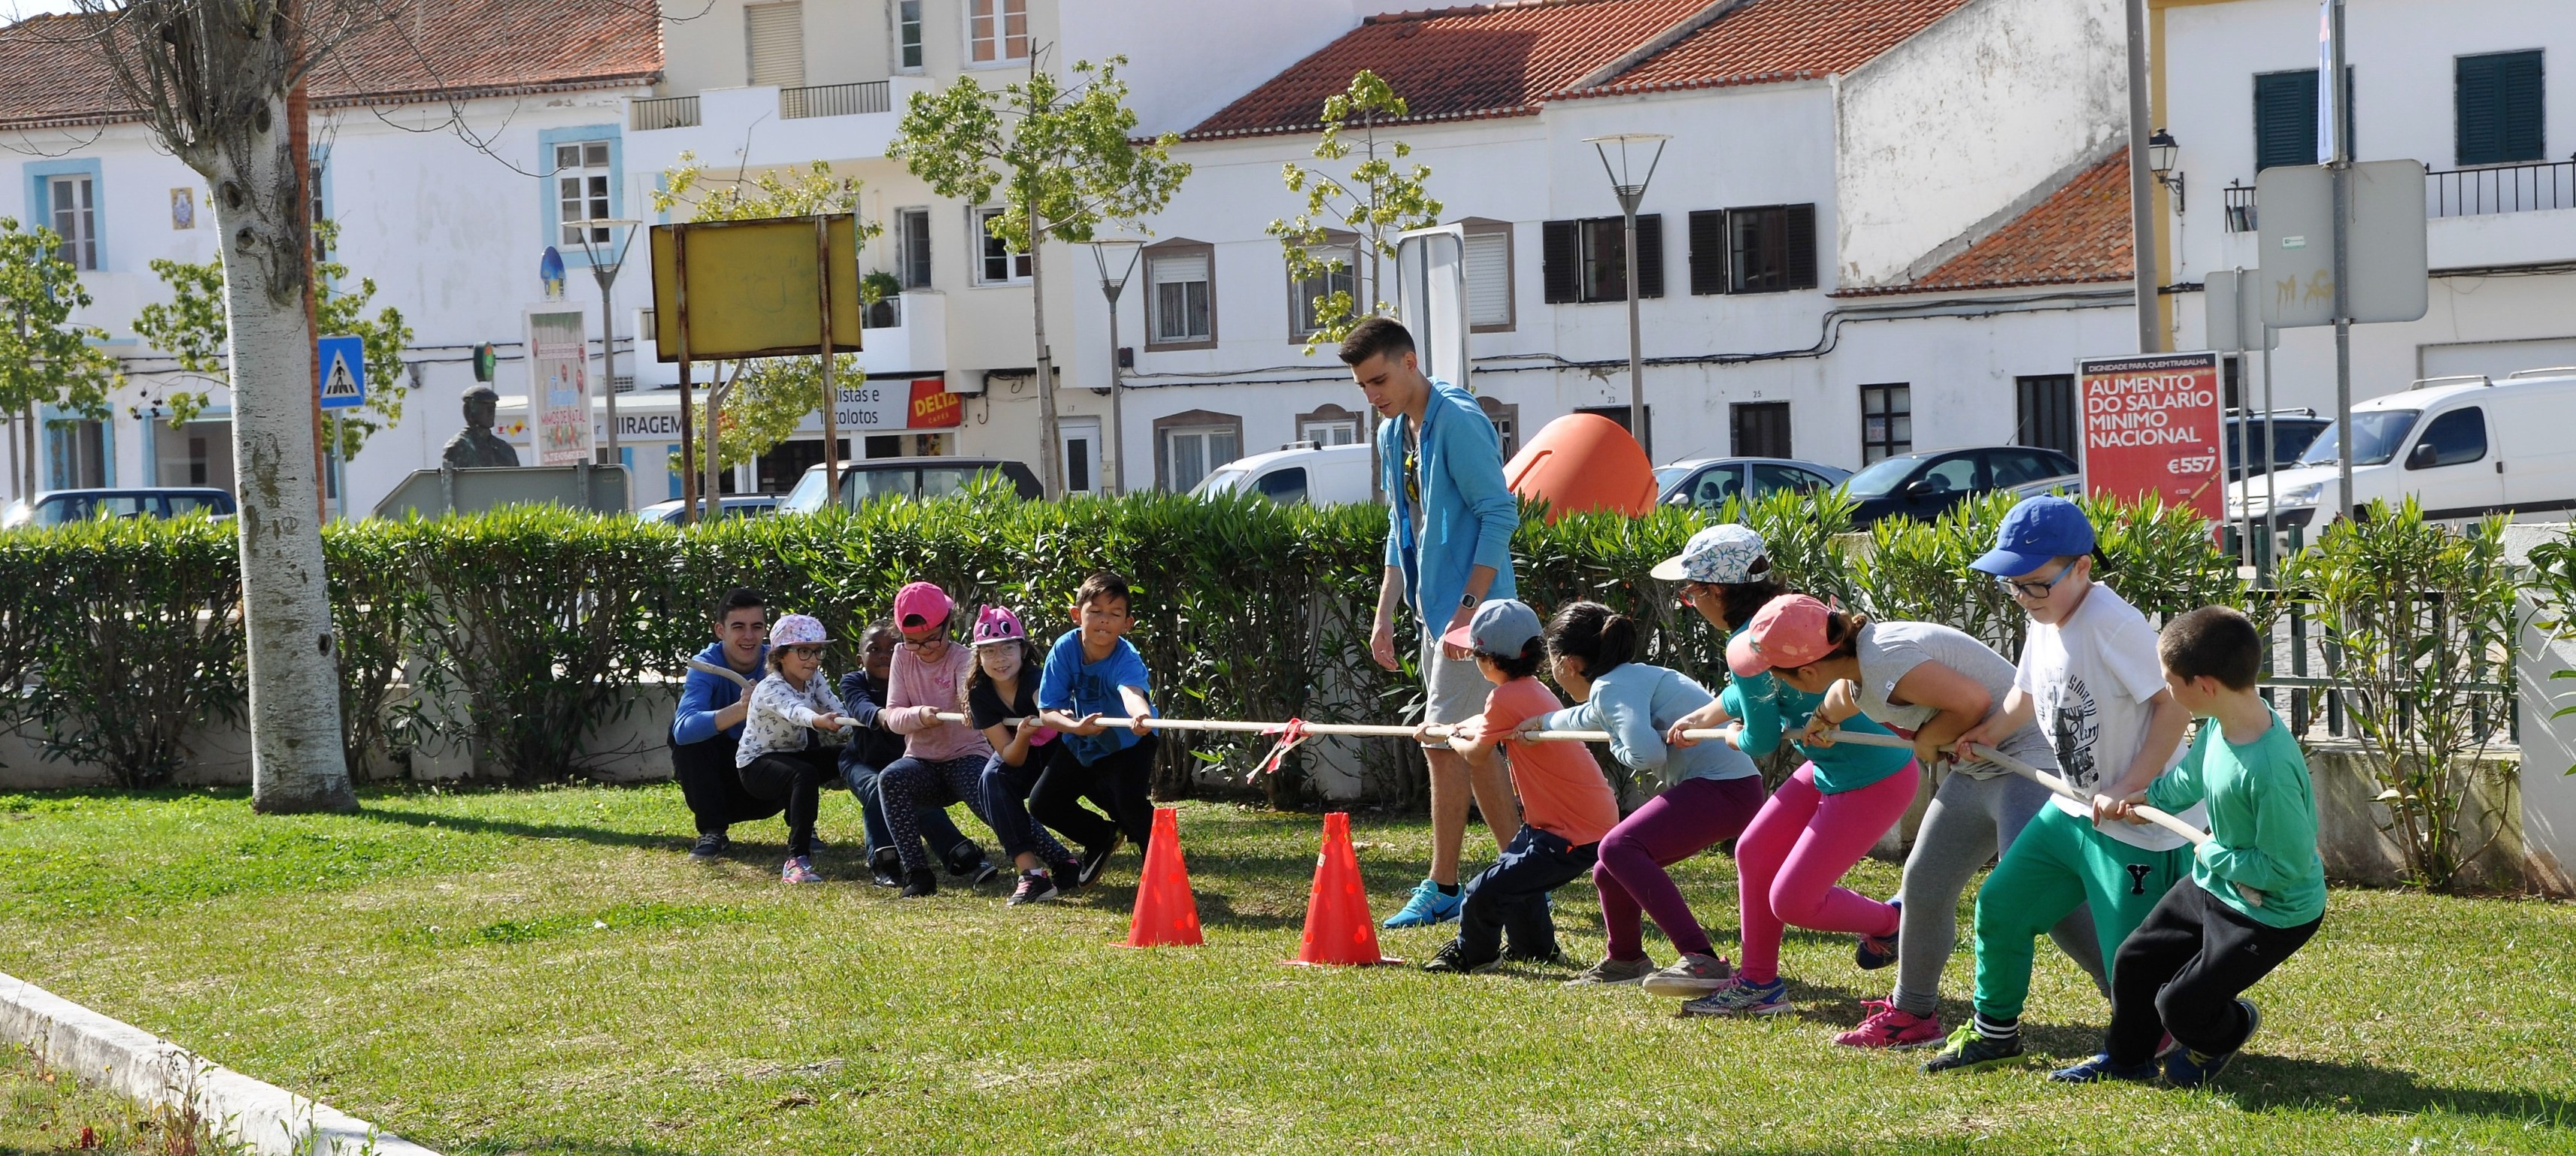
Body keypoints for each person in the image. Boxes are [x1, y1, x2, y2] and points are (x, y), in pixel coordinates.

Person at [1728, 599, 2104, 1049]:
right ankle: (1913, 1015)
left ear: (1807, 672)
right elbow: (1847, 694)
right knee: (1925, 883)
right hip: (1980, 768)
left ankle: (2142, 1003)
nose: (1772, 681)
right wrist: (1823, 719)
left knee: (2038, 891)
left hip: (2025, 761)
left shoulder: (1885, 658)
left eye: (1776, 673)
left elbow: (1972, 701)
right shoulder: (1858, 660)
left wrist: (1927, 740)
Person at [1925, 498, 2202, 1073]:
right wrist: (1986, 735)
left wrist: (2132, 784)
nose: (2024, 598)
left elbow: (2174, 706)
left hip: (2136, 824)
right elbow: (2024, 696)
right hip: (2073, 808)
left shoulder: (2113, 623)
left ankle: (2181, 1036)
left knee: (2132, 958)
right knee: (2002, 904)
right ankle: (1995, 1033)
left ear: (2082, 567)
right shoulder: (2044, 618)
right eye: (2013, 586)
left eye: (2035, 585)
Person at [1648, 529, 1921, 1018]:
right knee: (1756, 851)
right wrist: (1706, 716)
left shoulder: (1747, 645)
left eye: (1688, 593)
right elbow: (1762, 697)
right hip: (1839, 765)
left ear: (1715, 592)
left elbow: (1761, 738)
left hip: (1872, 779)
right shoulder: (1786, 614)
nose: (1689, 602)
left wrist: (1728, 734)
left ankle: (1892, 922)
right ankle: (1758, 984)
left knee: (1794, 900)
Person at [2053, 606, 2326, 1087]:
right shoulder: (2224, 722)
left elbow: (2282, 868)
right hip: (2217, 884)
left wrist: (2212, 854)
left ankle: (2231, 1028)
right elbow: (2192, 774)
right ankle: (2127, 1058)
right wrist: (2148, 797)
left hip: (2271, 910)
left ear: (2203, 685)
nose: (2164, 692)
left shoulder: (2268, 771)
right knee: (2134, 962)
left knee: (2179, 1006)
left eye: (2169, 681)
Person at [1347, 317, 1524, 930]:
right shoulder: (1393, 433)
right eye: (1364, 387)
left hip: (1476, 620)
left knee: (1444, 745)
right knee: (1471, 750)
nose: (1373, 395)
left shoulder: (1461, 419)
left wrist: (1466, 615)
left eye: (1380, 380)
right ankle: (1522, 877)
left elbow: (1500, 515)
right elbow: (1403, 530)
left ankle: (1448, 885)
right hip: (1437, 620)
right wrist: (1385, 613)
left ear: (1411, 361)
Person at [1541, 600, 1765, 994]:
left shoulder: (1612, 688)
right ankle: (1625, 959)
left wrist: (1618, 745)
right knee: (1609, 870)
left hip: (1722, 788)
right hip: (1732, 787)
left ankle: (1701, 958)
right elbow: (1581, 718)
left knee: (1619, 847)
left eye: (1552, 659)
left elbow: (1646, 754)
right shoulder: (1626, 681)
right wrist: (1537, 724)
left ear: (1569, 662)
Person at [1419, 599, 1620, 974]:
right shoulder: (1531, 690)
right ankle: (1534, 948)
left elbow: (1477, 755)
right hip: (1568, 822)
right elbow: (1489, 720)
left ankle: (1476, 953)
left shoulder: (1507, 697)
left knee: (1484, 891)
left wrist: (1445, 737)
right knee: (1514, 871)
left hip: (1573, 831)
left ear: (1489, 661)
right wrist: (1455, 727)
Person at [838, 623, 992, 888]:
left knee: (907, 790)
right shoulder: (854, 681)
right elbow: (861, 707)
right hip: (862, 761)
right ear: (860, 658)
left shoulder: (914, 675)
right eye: (874, 649)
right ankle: (885, 862)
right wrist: (888, 716)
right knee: (879, 787)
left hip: (909, 759)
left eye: (891, 648)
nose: (884, 655)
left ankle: (962, 855)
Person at [1032, 572, 1160, 885]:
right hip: (1082, 739)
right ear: (1077, 615)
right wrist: (1075, 727)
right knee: (1043, 803)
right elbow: (1047, 711)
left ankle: (1159, 874)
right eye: (1096, 612)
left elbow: (1132, 693)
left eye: (1115, 614)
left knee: (1130, 808)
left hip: (1130, 742)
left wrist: (1141, 717)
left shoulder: (1127, 657)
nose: (1105, 621)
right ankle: (1101, 836)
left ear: (1127, 623)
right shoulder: (1064, 649)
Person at [876, 582, 1002, 898]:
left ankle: (1057, 859)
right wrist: (919, 715)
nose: (924, 649)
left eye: (932, 639)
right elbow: (892, 716)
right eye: (912, 642)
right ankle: (917, 875)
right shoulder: (901, 656)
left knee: (997, 807)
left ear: (949, 624)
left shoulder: (964, 658)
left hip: (966, 755)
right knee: (891, 778)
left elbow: (969, 706)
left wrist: (962, 707)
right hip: (922, 761)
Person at [965, 605, 1083, 905]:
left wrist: (1055, 715)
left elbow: (1044, 703)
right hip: (1023, 751)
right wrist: (1022, 737)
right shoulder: (979, 692)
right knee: (991, 779)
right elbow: (1010, 755)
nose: (999, 659)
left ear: (1022, 649)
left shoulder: (1035, 678)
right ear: (978, 656)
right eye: (989, 652)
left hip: (1062, 751)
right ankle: (1032, 875)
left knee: (1050, 800)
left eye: (1007, 648)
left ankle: (1084, 851)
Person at [734, 613, 849, 885]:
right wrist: (818, 720)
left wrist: (871, 725)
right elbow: (795, 711)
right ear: (781, 656)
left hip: (793, 757)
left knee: (849, 754)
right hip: (756, 766)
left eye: (817, 651)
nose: (813, 659)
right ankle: (797, 860)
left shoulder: (814, 678)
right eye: (804, 651)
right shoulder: (770, 687)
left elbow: (836, 709)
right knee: (804, 774)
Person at [669, 587, 778, 858]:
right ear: (720, 630)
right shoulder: (705, 666)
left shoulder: (780, 662)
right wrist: (742, 709)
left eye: (757, 626)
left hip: (769, 779)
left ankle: (804, 829)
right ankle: (712, 831)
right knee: (687, 739)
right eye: (738, 627)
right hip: (720, 782)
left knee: (804, 727)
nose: (749, 636)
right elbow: (683, 730)